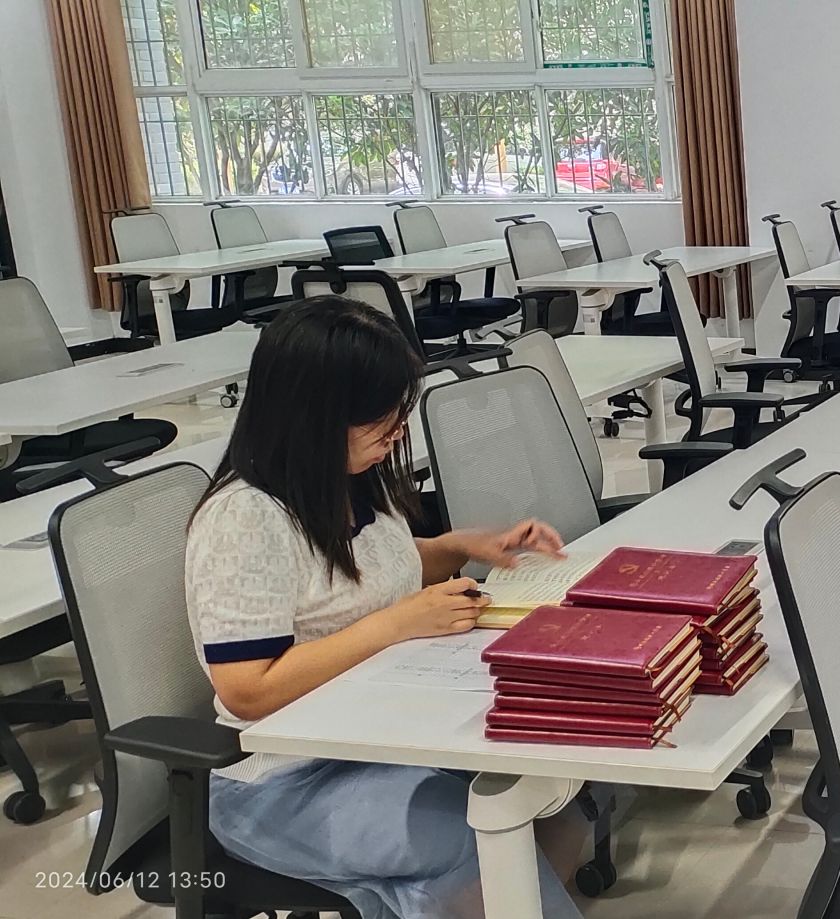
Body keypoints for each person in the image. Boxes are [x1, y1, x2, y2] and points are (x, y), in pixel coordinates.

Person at [186, 297, 589, 919]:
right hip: (281, 780)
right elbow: (247, 689)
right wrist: (393, 627)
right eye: (380, 419)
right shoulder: (244, 520)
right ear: (314, 414)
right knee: (473, 834)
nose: (396, 433)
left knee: (553, 804)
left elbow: (370, 575)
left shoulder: (347, 481)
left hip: (382, 736)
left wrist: (460, 547)